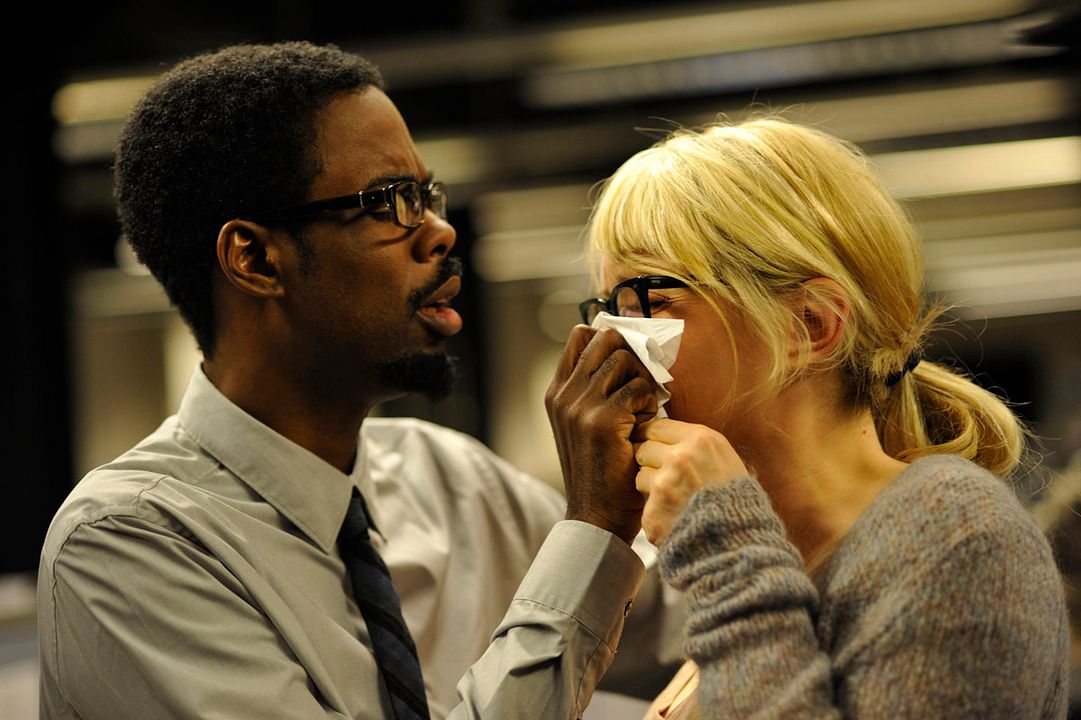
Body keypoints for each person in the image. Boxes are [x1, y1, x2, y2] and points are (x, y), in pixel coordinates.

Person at [37, 41, 681, 719]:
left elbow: (707, 630)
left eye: (426, 194)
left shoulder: (459, 484)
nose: (438, 232)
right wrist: (592, 531)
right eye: (389, 200)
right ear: (254, 258)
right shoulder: (129, 543)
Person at [546, 117, 1070, 718]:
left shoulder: (954, 535)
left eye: (651, 301)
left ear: (810, 326)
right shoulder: (777, 558)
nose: (616, 342)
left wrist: (728, 555)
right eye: (608, 306)